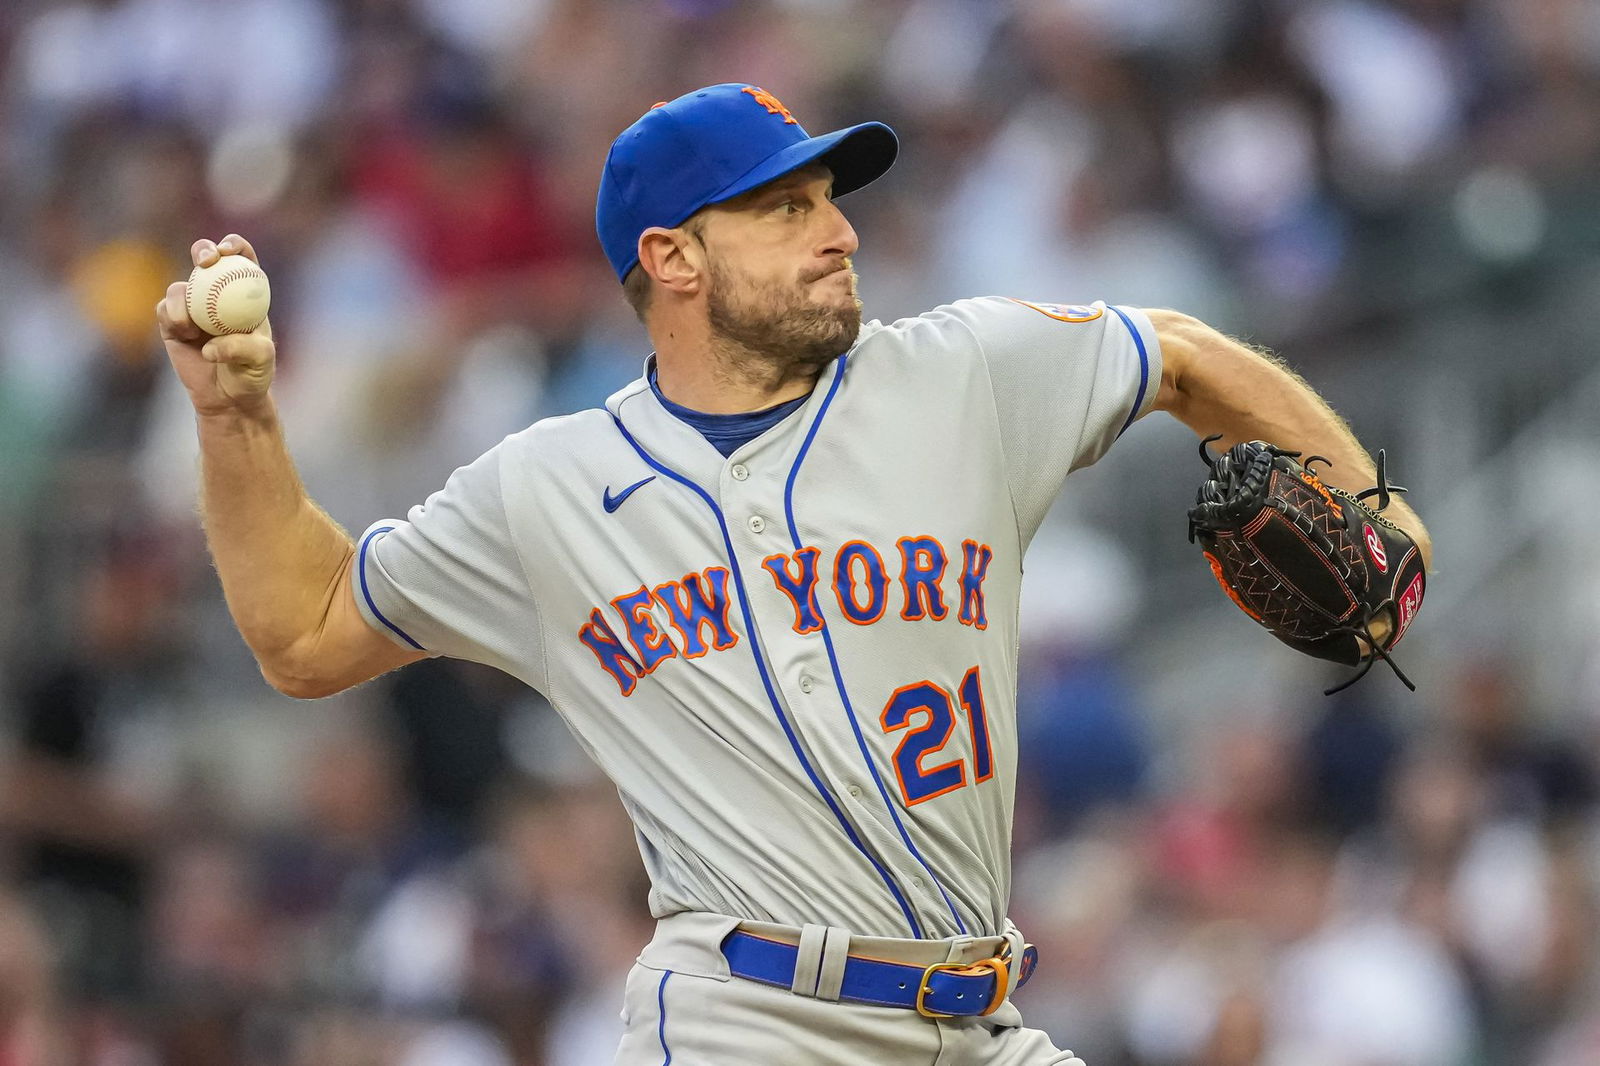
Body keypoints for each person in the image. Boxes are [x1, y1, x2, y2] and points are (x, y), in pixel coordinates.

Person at [156, 83, 1432, 1065]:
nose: (838, 231)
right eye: (785, 209)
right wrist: (235, 421)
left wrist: (1381, 515)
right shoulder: (547, 488)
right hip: (748, 1022)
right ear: (673, 257)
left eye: (830, 198)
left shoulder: (962, 372)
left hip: (978, 1019)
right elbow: (307, 630)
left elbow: (1179, 354)